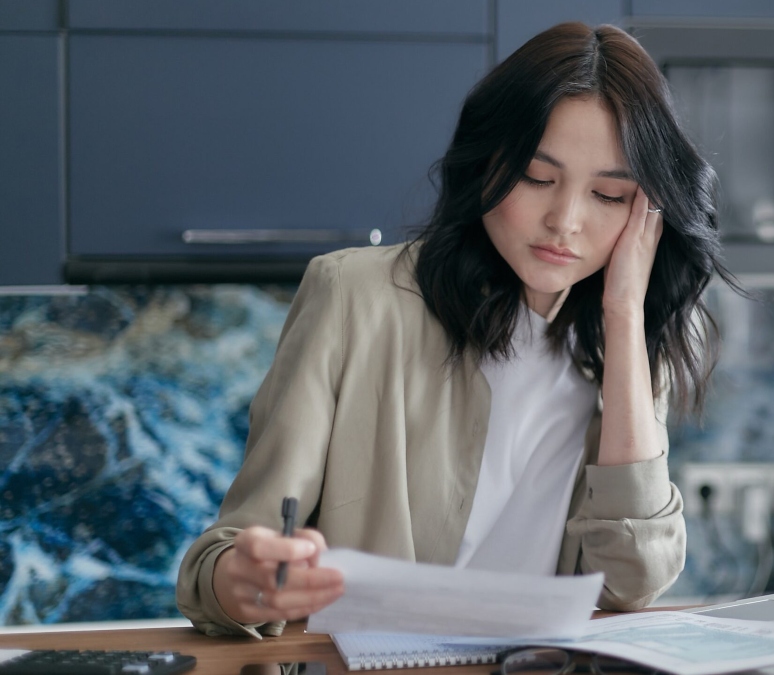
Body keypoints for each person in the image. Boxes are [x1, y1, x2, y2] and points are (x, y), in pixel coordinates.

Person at [176, 21, 735, 638]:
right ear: (486, 162)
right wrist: (247, 581)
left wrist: (625, 313)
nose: (565, 221)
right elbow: (221, 558)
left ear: (646, 212)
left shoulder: (625, 346)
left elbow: (632, 581)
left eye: (608, 194)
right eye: (537, 177)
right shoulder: (355, 297)